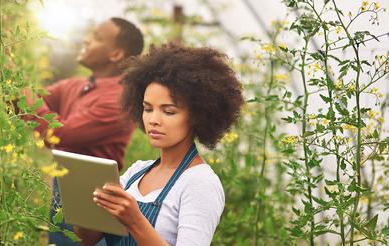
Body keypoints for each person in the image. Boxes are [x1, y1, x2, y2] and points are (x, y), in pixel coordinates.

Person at [74, 43, 245, 246]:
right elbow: (86, 240)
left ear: (197, 116)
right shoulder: (137, 171)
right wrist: (90, 207)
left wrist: (135, 221)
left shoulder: (200, 183)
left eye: (168, 111)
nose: (154, 120)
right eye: (147, 109)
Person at [24, 17, 144, 245]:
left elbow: (60, 134)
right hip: (63, 189)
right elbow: (33, 100)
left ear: (116, 54)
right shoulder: (77, 85)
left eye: (97, 37)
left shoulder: (118, 100)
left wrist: (19, 88)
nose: (86, 40)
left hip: (93, 202)